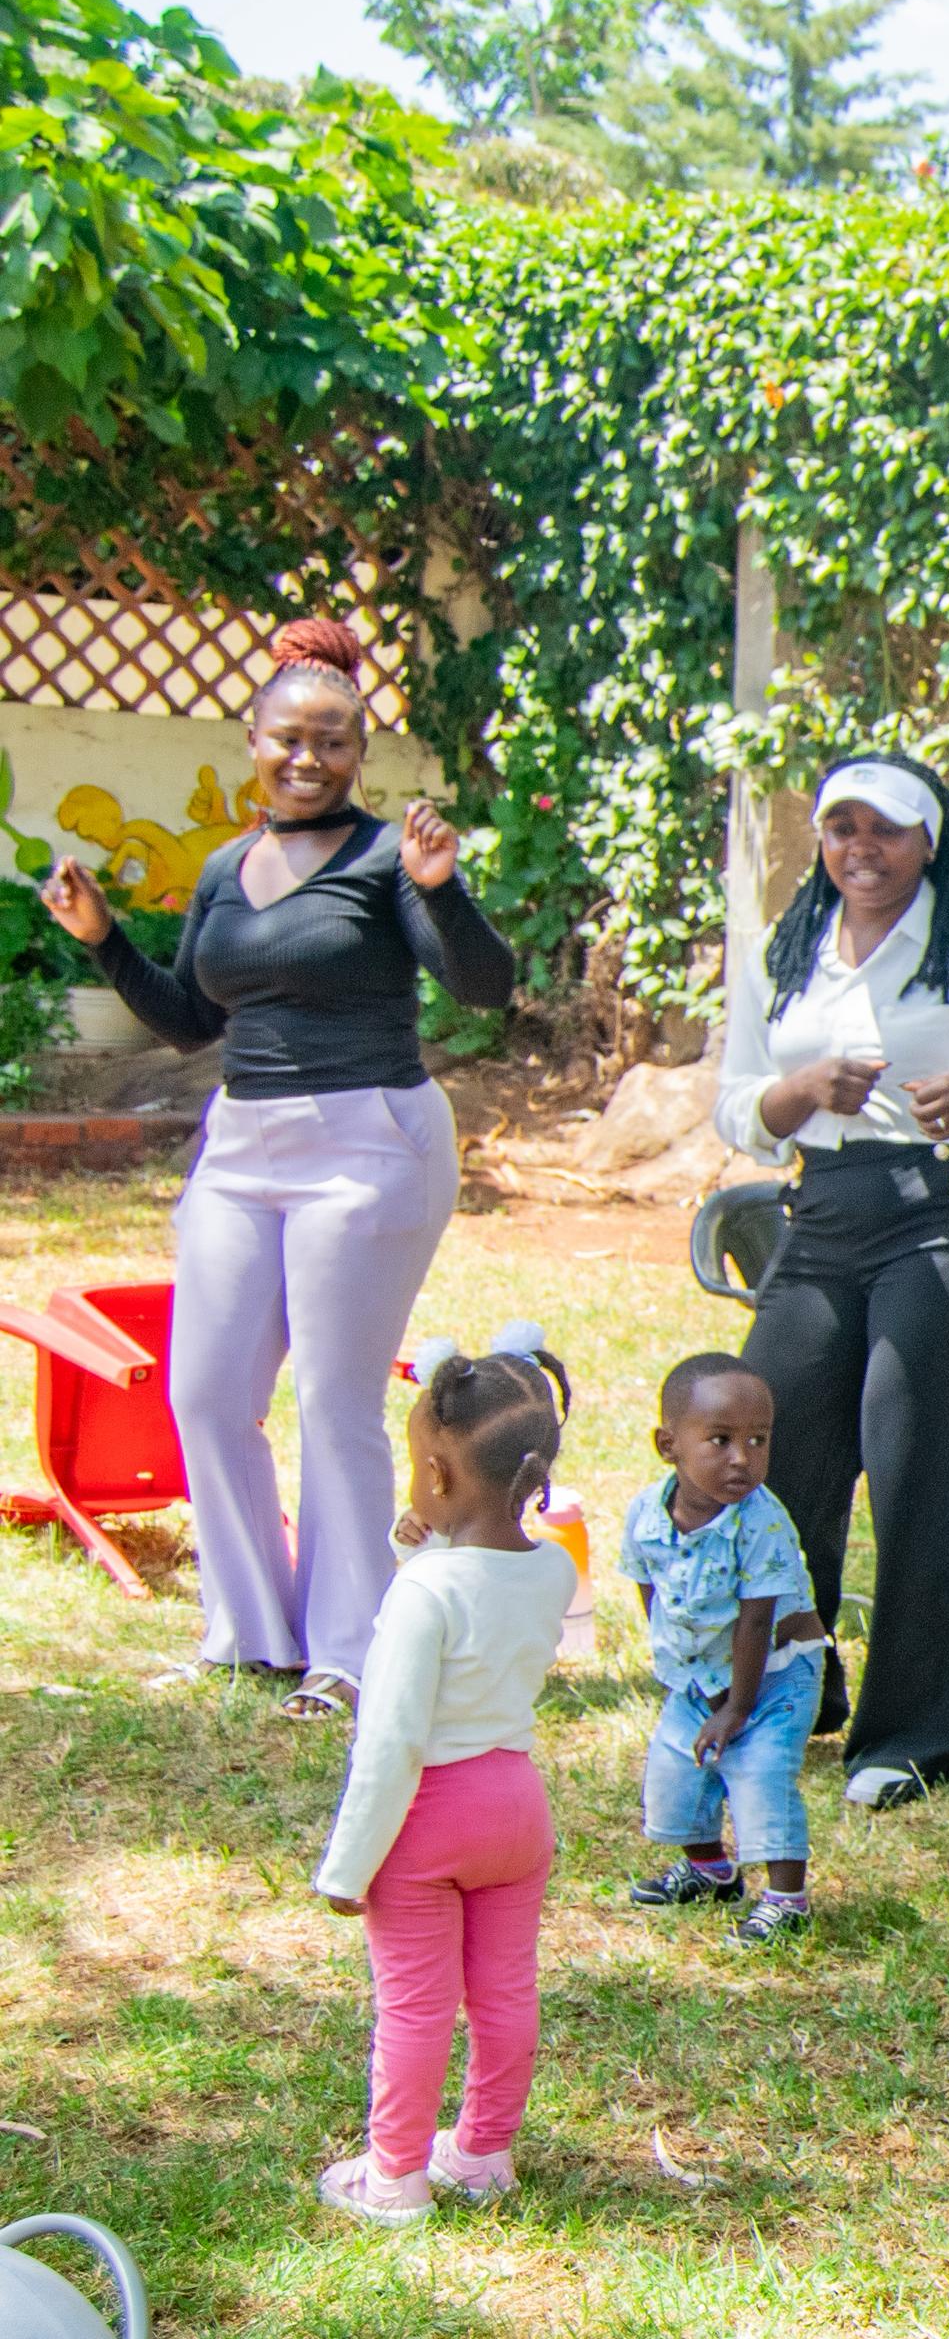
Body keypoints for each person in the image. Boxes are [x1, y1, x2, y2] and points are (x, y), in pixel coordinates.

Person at [39, 615, 516, 1719]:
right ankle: (250, 1632)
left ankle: (349, 1650)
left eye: (335, 742)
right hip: (243, 1144)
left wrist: (441, 889)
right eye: (288, 738)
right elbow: (188, 1020)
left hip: (369, 1144)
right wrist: (106, 937)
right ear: (251, 740)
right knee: (204, 1390)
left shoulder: (386, 858)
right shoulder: (222, 868)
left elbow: (483, 987)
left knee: (335, 1399)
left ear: (361, 754)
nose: (308, 758)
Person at [712, 752, 949, 1812]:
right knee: (772, 1450)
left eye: (886, 830)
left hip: (946, 1212)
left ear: (930, 841)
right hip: (818, 1212)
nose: (860, 850)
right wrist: (795, 1093)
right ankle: (794, 1684)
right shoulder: (787, 951)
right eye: (841, 829)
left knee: (918, 1465)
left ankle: (917, 1732)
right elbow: (732, 1103)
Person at [306, 1348, 581, 2222]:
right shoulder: (554, 1572)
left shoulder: (424, 1595)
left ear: (433, 1470)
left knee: (416, 2005)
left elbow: (389, 1741)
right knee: (505, 1989)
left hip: (429, 1818)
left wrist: (346, 1869)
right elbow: (481, 1590)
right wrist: (418, 1552)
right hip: (515, 1804)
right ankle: (484, 2152)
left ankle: (394, 2178)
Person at [618, 1353, 828, 1947]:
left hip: (778, 1671)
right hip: (700, 1672)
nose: (743, 1458)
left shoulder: (760, 1522)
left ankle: (787, 1899)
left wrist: (737, 1707)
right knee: (679, 1768)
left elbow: (756, 1621)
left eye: (758, 1440)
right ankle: (710, 1870)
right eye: (720, 1440)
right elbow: (649, 1586)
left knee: (760, 1770)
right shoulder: (646, 1515)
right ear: (668, 1445)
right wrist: (677, 1664)